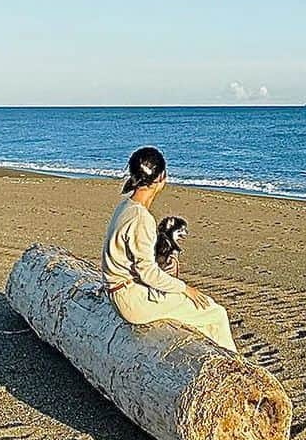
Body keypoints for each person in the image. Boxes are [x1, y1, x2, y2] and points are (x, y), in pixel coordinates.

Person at [101, 146, 237, 352]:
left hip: (119, 293)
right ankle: (235, 371)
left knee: (195, 309)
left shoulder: (125, 207)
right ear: (162, 177)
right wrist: (185, 288)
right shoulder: (141, 218)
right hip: (132, 301)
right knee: (214, 312)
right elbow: (148, 272)